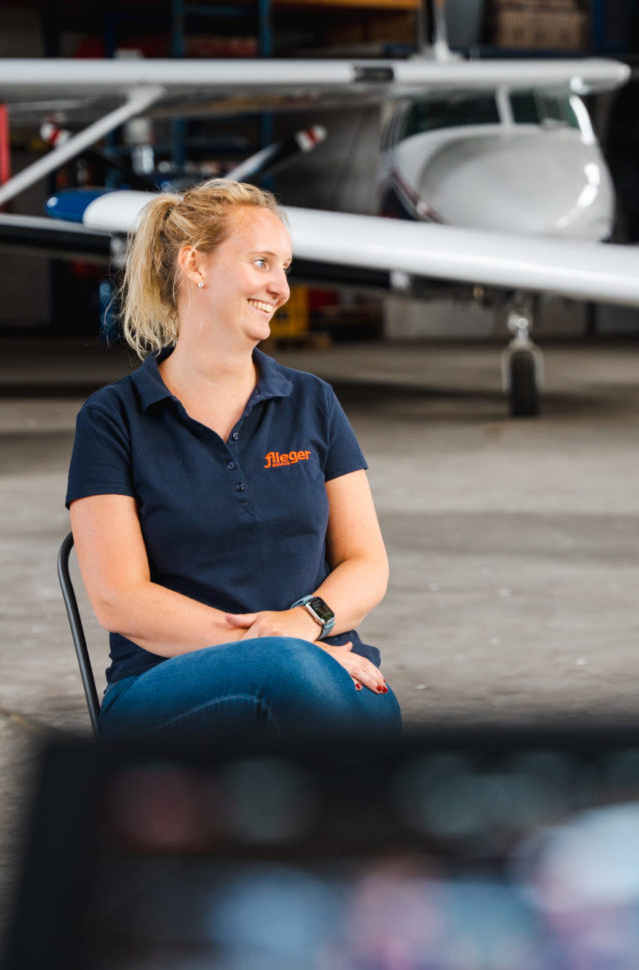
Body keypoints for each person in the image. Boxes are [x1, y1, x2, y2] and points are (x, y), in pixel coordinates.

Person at [66, 179, 399, 741]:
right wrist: (281, 650)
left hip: (328, 668)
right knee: (289, 679)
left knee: (344, 705)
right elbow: (120, 600)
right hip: (166, 687)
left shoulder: (312, 401)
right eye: (263, 263)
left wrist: (305, 627)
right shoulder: (112, 419)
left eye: (286, 267)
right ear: (195, 265)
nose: (282, 288)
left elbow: (367, 564)